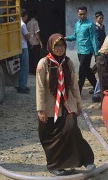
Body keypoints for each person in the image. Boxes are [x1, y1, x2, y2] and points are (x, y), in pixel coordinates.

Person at [36, 33, 95, 176]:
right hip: (50, 106)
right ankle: (56, 165)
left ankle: (86, 160)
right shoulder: (44, 63)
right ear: (51, 46)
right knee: (51, 136)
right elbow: (40, 87)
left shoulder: (68, 62)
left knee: (72, 129)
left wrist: (79, 104)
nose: (60, 49)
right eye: (56, 46)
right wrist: (41, 110)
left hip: (68, 103)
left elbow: (74, 85)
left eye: (62, 46)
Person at [66, 6, 98, 94]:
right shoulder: (77, 24)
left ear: (86, 14)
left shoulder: (90, 25)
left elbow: (94, 39)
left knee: (81, 71)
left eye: (84, 14)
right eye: (80, 14)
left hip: (87, 51)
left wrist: (96, 53)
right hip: (79, 51)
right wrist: (66, 38)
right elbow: (75, 37)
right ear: (78, 14)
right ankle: (97, 87)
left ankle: (78, 92)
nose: (82, 16)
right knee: (87, 70)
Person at [16, 9, 30, 93]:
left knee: (20, 67)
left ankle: (19, 84)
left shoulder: (16, 23)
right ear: (24, 16)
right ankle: (23, 86)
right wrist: (29, 35)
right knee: (25, 67)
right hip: (24, 47)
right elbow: (26, 36)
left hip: (18, 47)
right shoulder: (23, 24)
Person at [27, 9, 43, 75]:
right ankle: (36, 72)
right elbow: (37, 34)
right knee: (37, 58)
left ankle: (31, 71)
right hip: (35, 43)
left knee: (31, 58)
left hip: (29, 43)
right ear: (36, 15)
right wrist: (40, 42)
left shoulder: (28, 23)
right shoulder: (35, 22)